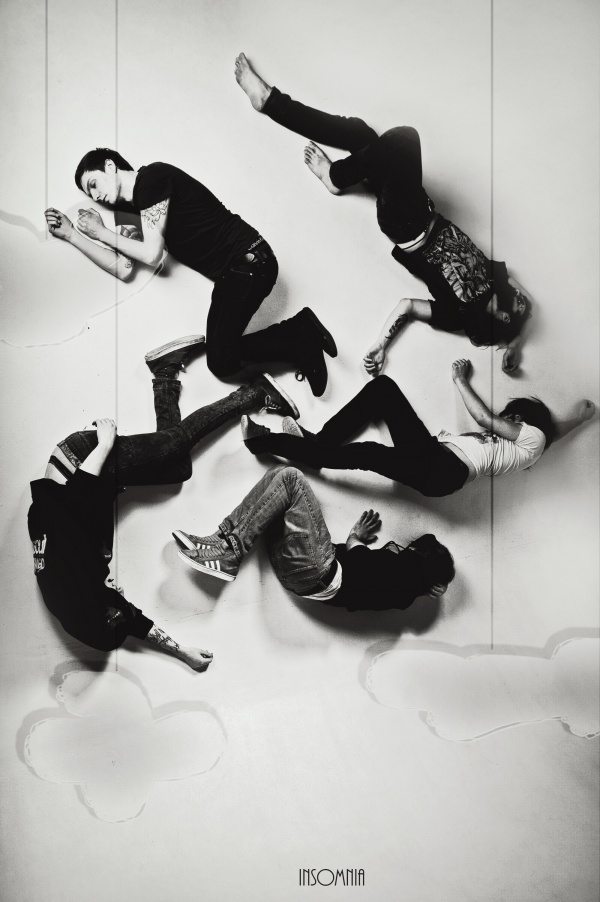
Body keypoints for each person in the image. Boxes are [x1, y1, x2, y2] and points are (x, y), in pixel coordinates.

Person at [234, 53, 532, 375]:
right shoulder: (495, 277)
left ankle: (334, 175)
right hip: (420, 204)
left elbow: (408, 307)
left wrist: (380, 345)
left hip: (404, 226)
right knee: (359, 133)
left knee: (404, 137)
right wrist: (516, 343)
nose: (519, 297)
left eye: (516, 305)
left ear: (504, 317)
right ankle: (270, 102)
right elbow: (531, 307)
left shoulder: (460, 316)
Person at [28, 335, 300, 665]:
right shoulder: (75, 599)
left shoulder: (77, 580)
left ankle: (255, 393)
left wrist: (104, 443)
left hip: (81, 462)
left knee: (177, 443)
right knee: (177, 468)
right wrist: (182, 652)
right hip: (88, 475)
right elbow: (136, 624)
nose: (119, 594)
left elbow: (73, 498)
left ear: (96, 610)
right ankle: (164, 372)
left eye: (115, 605)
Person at [43, 145, 337, 395]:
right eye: (89, 193)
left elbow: (152, 253)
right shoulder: (135, 212)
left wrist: (101, 232)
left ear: (110, 166)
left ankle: (300, 334)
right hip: (231, 274)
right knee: (220, 360)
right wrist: (73, 235)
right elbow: (124, 268)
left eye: (94, 184)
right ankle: (300, 335)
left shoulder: (152, 179)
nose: (95, 196)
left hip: (249, 259)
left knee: (221, 358)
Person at [240, 361, 596, 497]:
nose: (511, 422)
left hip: (442, 469)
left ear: (529, 422)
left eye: (516, 418)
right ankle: (316, 446)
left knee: (365, 453)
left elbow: (487, 419)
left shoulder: (534, 439)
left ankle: (268, 441)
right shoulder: (533, 444)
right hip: (432, 457)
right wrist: (579, 419)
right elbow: (554, 432)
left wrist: (459, 379)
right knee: (383, 390)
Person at [173, 466, 454, 611]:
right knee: (277, 477)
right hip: (296, 577)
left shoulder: (404, 572)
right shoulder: (405, 592)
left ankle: (229, 552)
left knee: (291, 479)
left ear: (418, 558)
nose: (400, 547)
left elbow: (359, 558)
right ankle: (220, 542)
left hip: (318, 571)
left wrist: (355, 536)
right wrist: (432, 584)